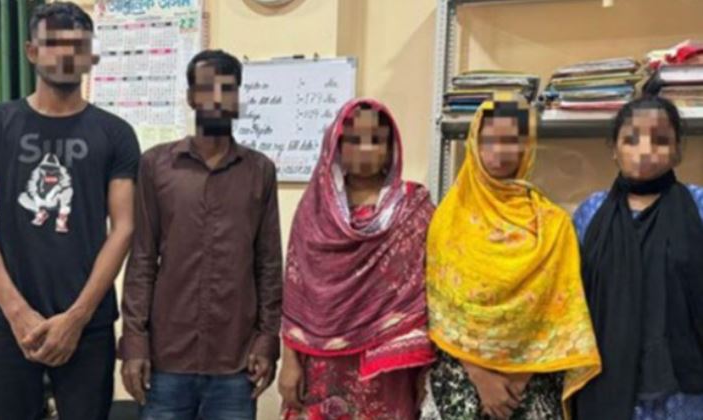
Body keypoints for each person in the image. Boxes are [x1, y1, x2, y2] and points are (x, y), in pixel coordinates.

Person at [0, 2, 140, 419]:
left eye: (77, 45)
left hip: (88, 325)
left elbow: (124, 228)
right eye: (54, 43)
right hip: (7, 322)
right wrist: (17, 312)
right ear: (31, 51)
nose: (65, 54)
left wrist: (77, 317)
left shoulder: (116, 133)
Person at [119, 49, 283, 420]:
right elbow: (142, 259)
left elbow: (269, 264)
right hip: (166, 358)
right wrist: (134, 343)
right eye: (207, 88)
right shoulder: (157, 165)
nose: (217, 98)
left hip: (236, 360)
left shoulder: (259, 171)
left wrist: (267, 339)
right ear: (192, 97)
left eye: (228, 89)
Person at [421, 97, 600, 420]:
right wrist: (481, 377)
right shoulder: (449, 220)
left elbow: (560, 311)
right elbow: (442, 310)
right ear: (474, 144)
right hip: (462, 382)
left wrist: (518, 379)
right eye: (490, 140)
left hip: (531, 385)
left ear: (526, 147)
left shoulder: (552, 225)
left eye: (511, 140)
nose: (500, 151)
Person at [278, 98, 435, 419]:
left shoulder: (414, 208)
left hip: (388, 368)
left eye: (376, 140)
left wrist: (427, 372)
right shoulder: (315, 211)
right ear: (336, 145)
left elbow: (431, 291)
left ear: (390, 149)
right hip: (322, 363)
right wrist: (290, 362)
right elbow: (296, 292)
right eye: (353, 139)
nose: (365, 149)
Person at [572, 96, 703, 420]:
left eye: (660, 140)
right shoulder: (590, 214)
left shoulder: (698, 207)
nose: (645, 150)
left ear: (677, 150)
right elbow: (570, 302)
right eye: (631, 140)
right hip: (606, 385)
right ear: (614, 149)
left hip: (685, 393)